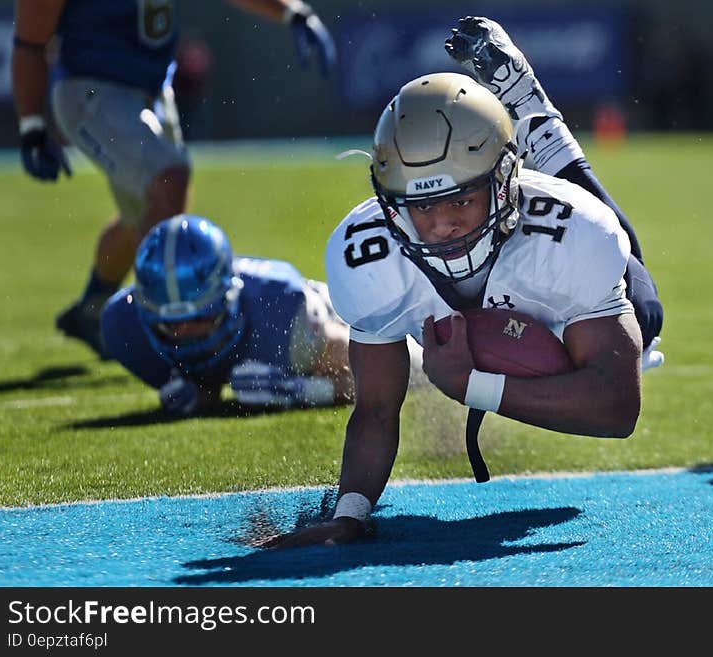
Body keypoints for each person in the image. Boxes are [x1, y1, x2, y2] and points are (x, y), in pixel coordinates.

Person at [260, 16, 665, 548]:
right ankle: (518, 124)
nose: (442, 224)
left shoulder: (573, 234)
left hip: (548, 235)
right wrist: (350, 514)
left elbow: (616, 408)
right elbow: (376, 407)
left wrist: (472, 386)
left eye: (461, 200)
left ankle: (534, 116)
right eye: (421, 206)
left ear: (503, 183)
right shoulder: (367, 256)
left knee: (644, 309)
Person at [11, 0, 336, 360]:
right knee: (168, 182)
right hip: (92, 90)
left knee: (144, 218)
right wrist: (32, 126)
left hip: (151, 93)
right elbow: (30, 40)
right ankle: (159, 339)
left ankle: (92, 309)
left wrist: (292, 11)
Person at [101, 214, 368, 415]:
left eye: (197, 318)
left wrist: (300, 390)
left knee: (407, 360)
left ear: (227, 298)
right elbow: (211, 387)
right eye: (168, 324)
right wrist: (200, 393)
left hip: (343, 313)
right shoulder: (123, 324)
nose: (182, 334)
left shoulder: (282, 312)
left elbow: (368, 377)